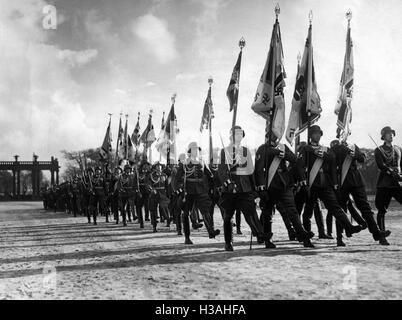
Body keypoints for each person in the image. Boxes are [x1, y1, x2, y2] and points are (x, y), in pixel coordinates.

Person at [298, 125, 363, 247]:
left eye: (319, 133)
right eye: (314, 133)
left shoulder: (326, 149)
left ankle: (348, 227)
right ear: (310, 135)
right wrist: (303, 182)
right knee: (308, 213)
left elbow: (333, 162)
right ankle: (307, 239)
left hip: (326, 184)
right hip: (312, 184)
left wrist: (335, 184)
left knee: (336, 208)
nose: (317, 135)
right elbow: (300, 166)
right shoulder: (305, 149)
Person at [254, 131, 313, 248]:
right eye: (273, 135)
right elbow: (259, 170)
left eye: (277, 135)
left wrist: (283, 154)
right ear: (268, 135)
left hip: (284, 184)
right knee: (267, 214)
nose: (276, 137)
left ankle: (301, 233)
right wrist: (261, 188)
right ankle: (267, 239)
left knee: (293, 211)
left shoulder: (283, 147)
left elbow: (295, 160)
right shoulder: (263, 149)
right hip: (270, 186)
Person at [218, 126, 271, 251]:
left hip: (245, 187)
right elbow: (222, 170)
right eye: (237, 134)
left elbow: (250, 171)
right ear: (232, 136)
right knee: (228, 216)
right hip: (231, 188)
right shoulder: (224, 151)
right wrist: (227, 182)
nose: (239, 137)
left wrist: (255, 190)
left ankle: (260, 234)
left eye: (241, 134)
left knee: (251, 212)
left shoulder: (246, 151)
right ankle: (228, 242)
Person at [332, 139, 391, 246]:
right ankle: (339, 238)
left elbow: (362, 158)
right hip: (342, 181)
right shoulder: (336, 148)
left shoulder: (352, 145)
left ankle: (376, 233)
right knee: (341, 210)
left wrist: (355, 155)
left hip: (356, 180)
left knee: (365, 208)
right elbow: (332, 163)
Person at [174, 142, 220, 244]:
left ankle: (211, 231)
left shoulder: (202, 162)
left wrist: (213, 187)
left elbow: (210, 175)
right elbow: (176, 179)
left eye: (198, 150)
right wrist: (180, 189)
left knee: (205, 211)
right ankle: (187, 237)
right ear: (190, 151)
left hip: (201, 190)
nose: (196, 151)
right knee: (186, 214)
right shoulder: (184, 163)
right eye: (194, 149)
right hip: (188, 191)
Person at [374, 126, 402, 245]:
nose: (390, 135)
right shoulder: (378, 150)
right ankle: (382, 236)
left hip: (397, 183)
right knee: (381, 210)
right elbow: (381, 165)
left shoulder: (398, 149)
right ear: (383, 136)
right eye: (388, 134)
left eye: (392, 133)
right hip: (385, 183)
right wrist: (391, 172)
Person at [149, 162, 170, 232]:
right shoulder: (151, 176)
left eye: (160, 168)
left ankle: (167, 219)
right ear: (155, 168)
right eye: (157, 168)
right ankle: (154, 227)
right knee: (153, 210)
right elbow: (148, 184)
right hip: (154, 194)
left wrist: (168, 194)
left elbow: (167, 186)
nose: (158, 169)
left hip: (162, 194)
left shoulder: (164, 175)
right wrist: (151, 189)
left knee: (164, 207)